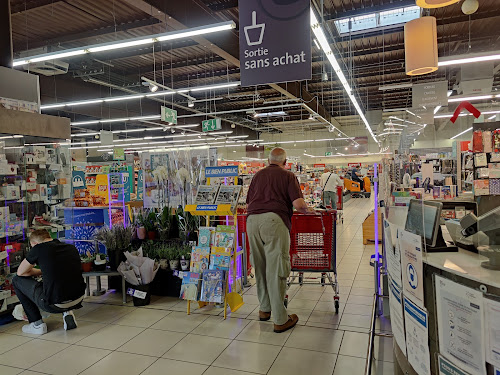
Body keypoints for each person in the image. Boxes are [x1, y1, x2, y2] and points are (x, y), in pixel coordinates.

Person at [246, 147, 314, 333]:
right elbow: (298, 204)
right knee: (276, 267)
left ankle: (264, 309)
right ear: (285, 162)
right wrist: (309, 210)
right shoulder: (288, 176)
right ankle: (280, 318)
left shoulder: (257, 175)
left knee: (259, 266)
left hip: (251, 221)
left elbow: (248, 202)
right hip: (274, 221)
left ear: (269, 160)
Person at [12, 229, 86, 335]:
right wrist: (46, 271)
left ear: (35, 244)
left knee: (16, 280)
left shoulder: (38, 249)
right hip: (78, 299)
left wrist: (40, 271)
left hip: (55, 304)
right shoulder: (70, 247)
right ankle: (67, 313)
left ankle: (37, 324)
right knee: (59, 281)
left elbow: (20, 272)